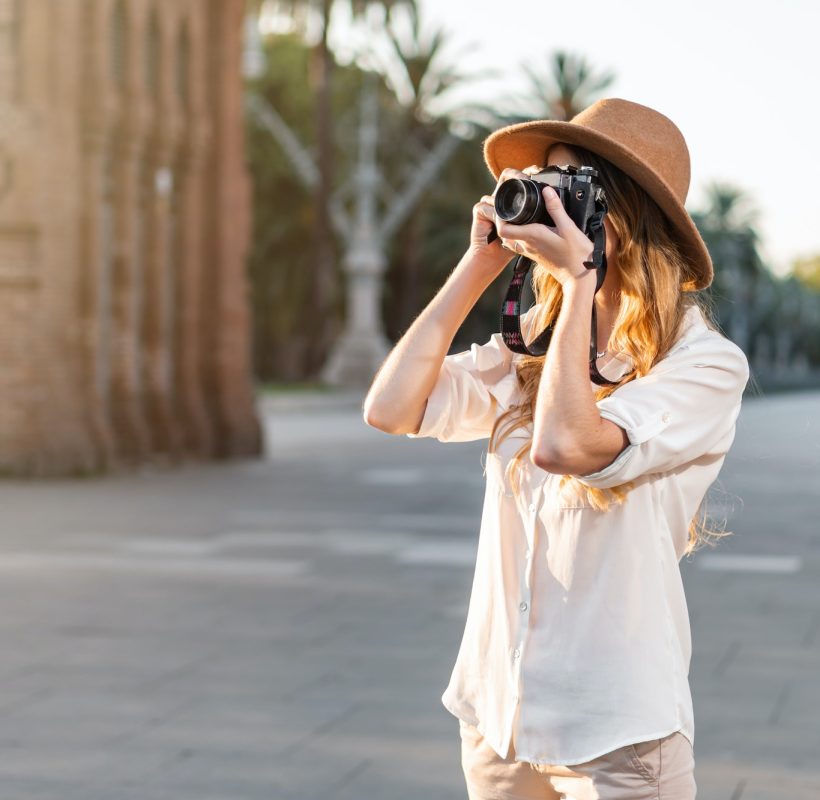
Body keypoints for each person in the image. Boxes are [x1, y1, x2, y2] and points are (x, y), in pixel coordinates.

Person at [362, 98, 749, 799]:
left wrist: (577, 283)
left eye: (570, 187)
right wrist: (475, 269)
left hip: (618, 736)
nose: (546, 199)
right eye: (544, 181)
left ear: (621, 215)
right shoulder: (531, 343)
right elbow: (391, 409)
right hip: (499, 718)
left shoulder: (705, 365)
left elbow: (567, 445)